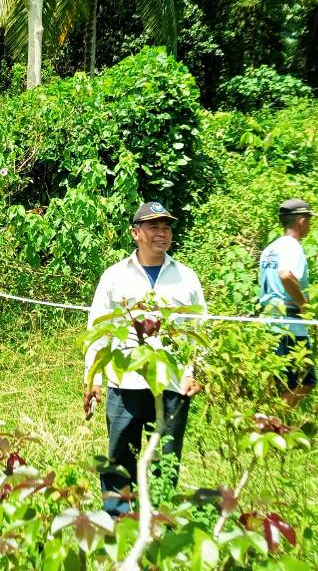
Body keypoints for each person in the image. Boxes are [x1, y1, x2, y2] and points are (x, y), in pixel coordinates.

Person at [83, 201, 207, 517]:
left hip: (172, 385)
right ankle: (117, 522)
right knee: (119, 460)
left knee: (165, 460)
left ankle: (156, 525)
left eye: (166, 227)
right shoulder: (114, 277)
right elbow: (98, 327)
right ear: (135, 233)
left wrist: (196, 371)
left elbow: (200, 328)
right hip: (125, 384)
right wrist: (93, 377)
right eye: (153, 227)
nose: (161, 234)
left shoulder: (186, 278)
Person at [258, 198, 316, 408]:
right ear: (301, 221)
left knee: (280, 384)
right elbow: (286, 274)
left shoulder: (270, 249)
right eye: (309, 220)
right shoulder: (293, 247)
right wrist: (304, 306)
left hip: (270, 323)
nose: (309, 225)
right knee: (305, 381)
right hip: (291, 325)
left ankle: (271, 426)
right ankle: (273, 428)